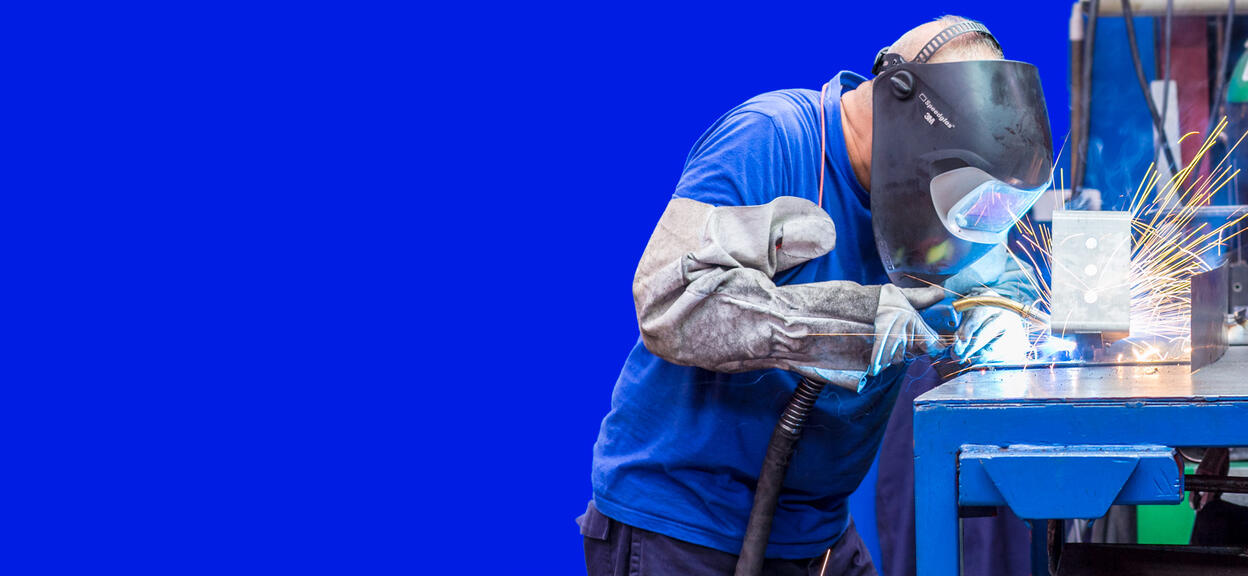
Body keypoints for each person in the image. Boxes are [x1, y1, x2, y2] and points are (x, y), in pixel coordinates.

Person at [581, 15, 1052, 576]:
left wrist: (1005, 317)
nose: (944, 233)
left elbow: (998, 273)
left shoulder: (939, 195)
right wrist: (849, 326)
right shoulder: (770, 139)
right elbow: (671, 300)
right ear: (902, 112)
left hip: (816, 532)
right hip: (685, 527)